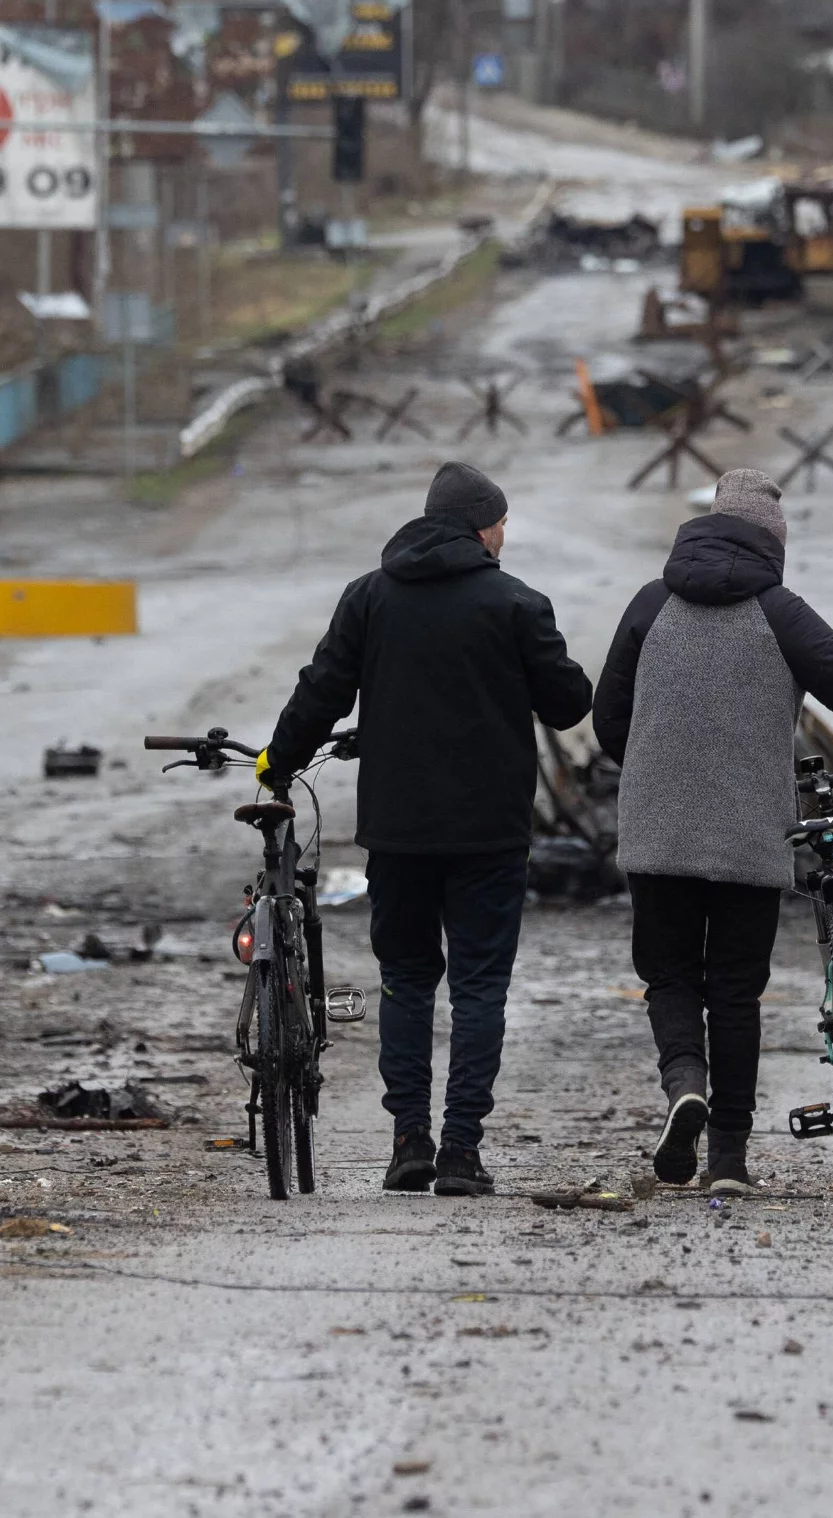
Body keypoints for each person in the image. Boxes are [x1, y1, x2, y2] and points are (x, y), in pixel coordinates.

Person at [592, 469, 833, 1193]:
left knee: (669, 975)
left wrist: (653, 770)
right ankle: (728, 1159)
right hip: (748, 830)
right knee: (735, 989)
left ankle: (684, 1087)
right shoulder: (779, 611)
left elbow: (610, 716)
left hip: (656, 826)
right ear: (774, 542)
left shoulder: (650, 603)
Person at [262, 461, 593, 1197]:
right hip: (490, 834)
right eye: (502, 524)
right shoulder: (515, 603)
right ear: (482, 527)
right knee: (479, 988)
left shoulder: (370, 598)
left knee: (406, 982)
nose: (505, 537)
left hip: (399, 831)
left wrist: (276, 764)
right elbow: (570, 703)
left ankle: (409, 1141)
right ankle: (462, 1151)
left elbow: (320, 690)